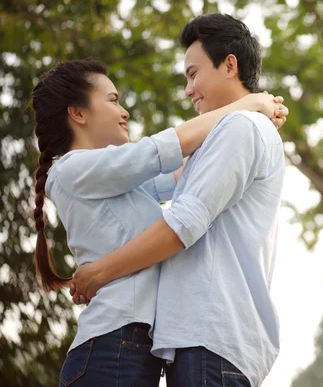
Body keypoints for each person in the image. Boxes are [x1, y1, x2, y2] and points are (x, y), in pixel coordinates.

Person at [31, 58, 287, 387]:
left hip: (133, 351)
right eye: (112, 100)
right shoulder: (71, 171)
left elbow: (190, 170)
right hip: (112, 349)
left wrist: (248, 124)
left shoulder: (114, 183)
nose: (124, 111)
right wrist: (247, 105)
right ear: (77, 113)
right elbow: (165, 148)